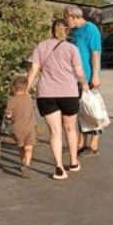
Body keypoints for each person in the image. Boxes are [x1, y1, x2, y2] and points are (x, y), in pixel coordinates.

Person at [27, 19, 89, 180]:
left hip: (46, 94)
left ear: (51, 30)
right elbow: (79, 72)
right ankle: (74, 162)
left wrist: (26, 89)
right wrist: (84, 84)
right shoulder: (72, 49)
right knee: (70, 128)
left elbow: (33, 70)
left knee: (55, 132)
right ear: (67, 31)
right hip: (68, 92)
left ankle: (59, 168)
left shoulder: (41, 46)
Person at [63, 5, 103, 157]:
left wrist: (95, 75)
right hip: (75, 77)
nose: (66, 22)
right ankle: (82, 143)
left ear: (73, 16)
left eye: (67, 18)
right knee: (81, 111)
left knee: (92, 109)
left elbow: (95, 53)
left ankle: (94, 145)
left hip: (88, 75)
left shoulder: (90, 29)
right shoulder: (75, 33)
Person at [4, 76, 37, 178]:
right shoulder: (29, 99)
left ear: (13, 88)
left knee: (21, 147)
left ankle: (23, 162)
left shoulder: (12, 101)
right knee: (29, 148)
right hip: (30, 128)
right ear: (26, 87)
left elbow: (8, 115)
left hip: (18, 129)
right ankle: (26, 164)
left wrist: (9, 116)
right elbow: (33, 108)